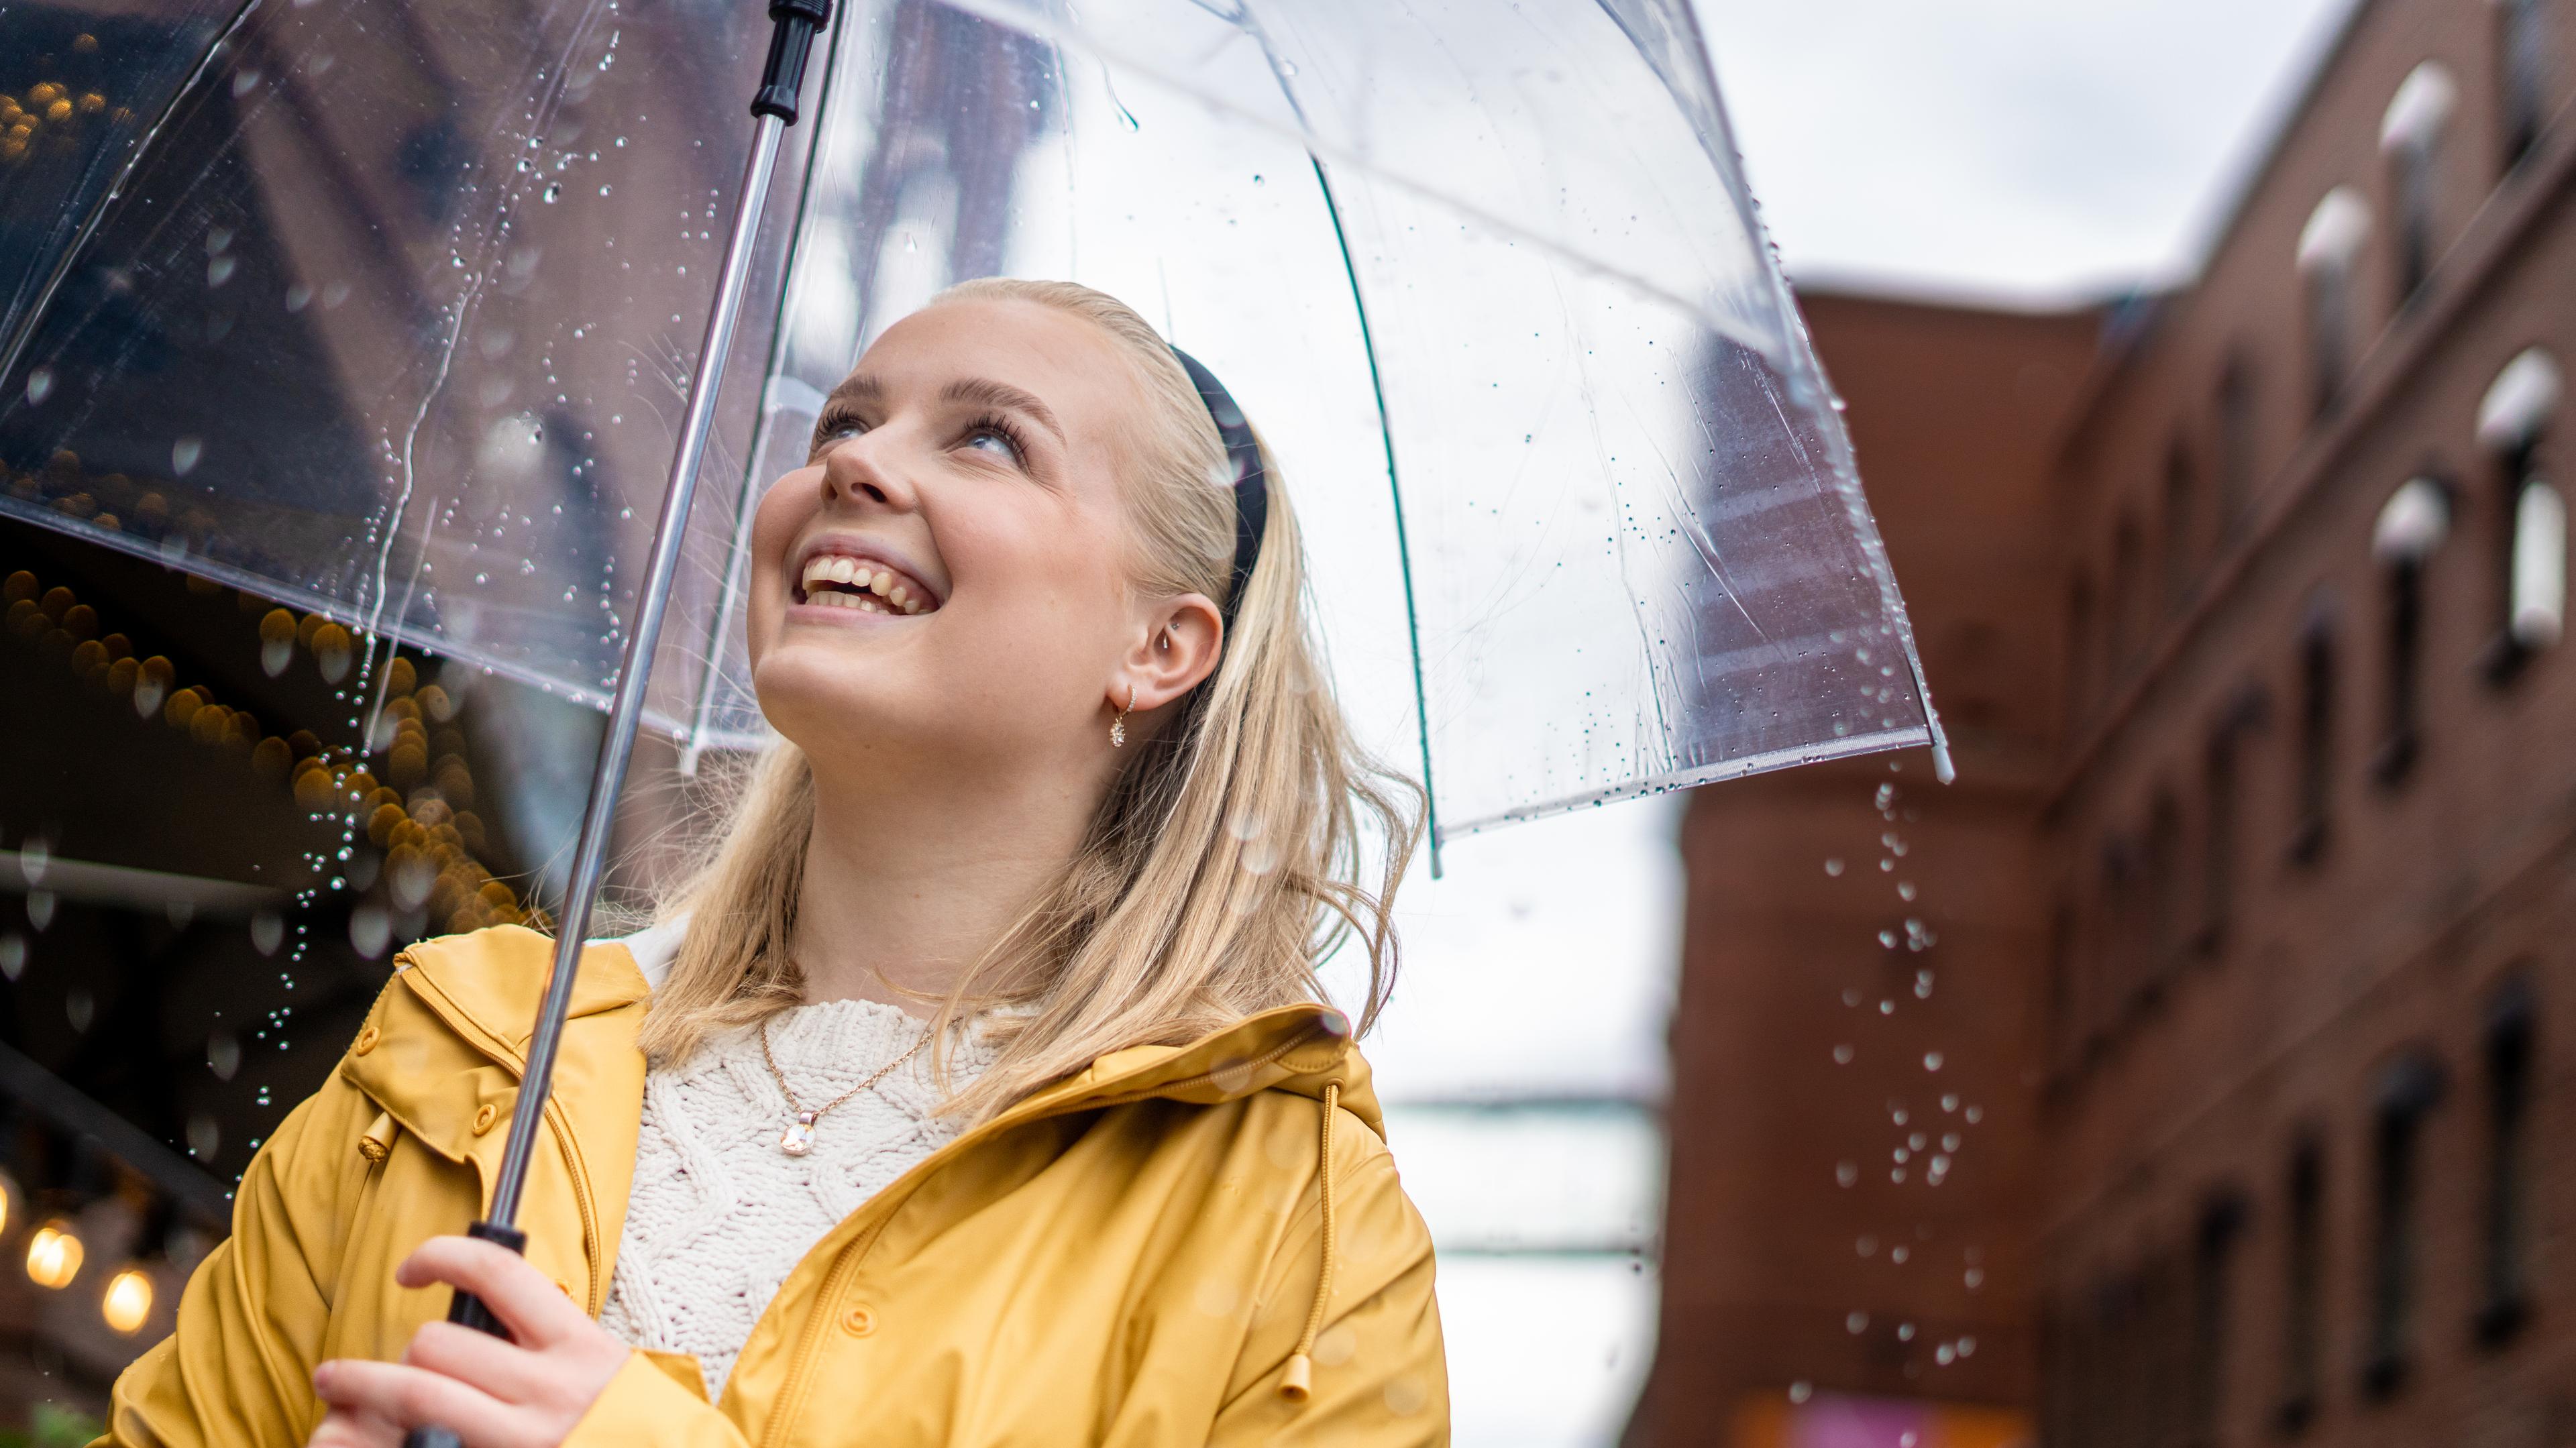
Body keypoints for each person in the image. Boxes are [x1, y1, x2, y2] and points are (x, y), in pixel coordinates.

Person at [100, 279, 1448, 1447]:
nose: (851, 468)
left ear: (1162, 648)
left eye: (988, 439)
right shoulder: (465, 1053)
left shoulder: (1293, 1216)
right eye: (844, 424)